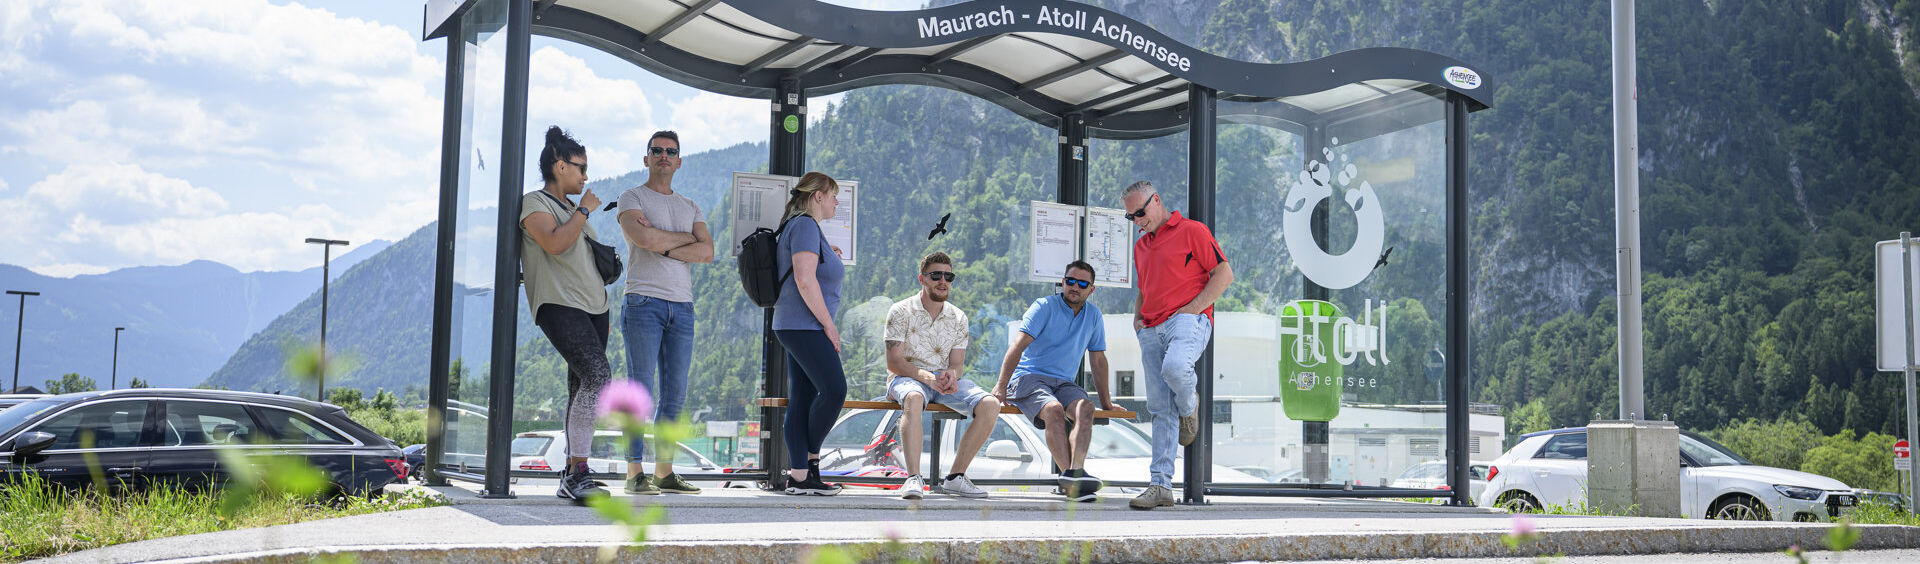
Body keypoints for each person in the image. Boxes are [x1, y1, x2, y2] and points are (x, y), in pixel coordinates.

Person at [1119, 180, 1233, 510]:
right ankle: (1160, 486)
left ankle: (1189, 406)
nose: (1138, 221)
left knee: (1176, 369)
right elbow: (1145, 287)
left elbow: (1224, 274)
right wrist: (1137, 319)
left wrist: (1194, 309)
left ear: (1157, 200)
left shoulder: (1193, 231)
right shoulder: (1141, 247)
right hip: (1151, 329)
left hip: (1186, 319)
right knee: (1158, 408)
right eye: (1131, 217)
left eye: (1140, 212)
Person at [615, 130, 713, 496]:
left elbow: (707, 252)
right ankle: (633, 473)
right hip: (643, 301)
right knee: (640, 390)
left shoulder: (690, 206)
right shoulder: (631, 197)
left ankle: (664, 473)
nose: (663, 156)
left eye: (670, 151)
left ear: (679, 161)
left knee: (675, 395)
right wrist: (682, 239)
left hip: (682, 307)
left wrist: (663, 242)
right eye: (656, 150)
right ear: (646, 159)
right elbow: (645, 241)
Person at [518, 126, 613, 505]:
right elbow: (555, 243)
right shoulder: (534, 203)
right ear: (560, 166)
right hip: (558, 305)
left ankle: (573, 474)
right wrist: (586, 208)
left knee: (582, 387)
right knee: (599, 377)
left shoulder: (571, 209)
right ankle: (577, 470)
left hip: (594, 307)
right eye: (580, 168)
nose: (585, 176)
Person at [992, 260, 1118, 502]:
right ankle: (1071, 480)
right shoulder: (1044, 307)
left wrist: (1107, 403)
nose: (1075, 287)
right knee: (1053, 409)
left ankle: (1075, 473)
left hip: (1063, 382)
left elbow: (1098, 360)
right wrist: (1000, 387)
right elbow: (1017, 346)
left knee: (1086, 408)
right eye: (1070, 281)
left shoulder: (1093, 315)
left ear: (1091, 289)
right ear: (1063, 282)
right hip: (1029, 377)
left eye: (1082, 283)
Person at [883, 252, 999, 499]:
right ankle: (913, 478)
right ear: (921, 279)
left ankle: (956, 478)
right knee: (913, 398)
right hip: (907, 378)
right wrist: (926, 377)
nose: (943, 281)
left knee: (990, 404)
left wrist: (951, 375)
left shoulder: (958, 317)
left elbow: (957, 364)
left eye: (948, 276)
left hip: (940, 381)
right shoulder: (900, 311)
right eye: (936, 275)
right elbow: (894, 362)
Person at [773, 172, 848, 496]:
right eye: (833, 195)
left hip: (795, 325)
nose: (836, 201)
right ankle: (810, 463)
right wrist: (829, 326)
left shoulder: (803, 227)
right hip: (805, 326)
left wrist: (826, 254)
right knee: (834, 391)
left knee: (803, 398)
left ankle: (801, 476)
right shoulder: (804, 225)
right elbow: (804, 280)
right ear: (817, 195)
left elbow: (807, 269)